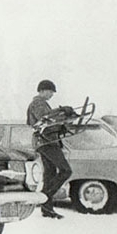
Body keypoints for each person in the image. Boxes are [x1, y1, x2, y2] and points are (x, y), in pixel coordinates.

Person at [27, 79, 74, 219]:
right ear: (42, 90)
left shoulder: (43, 104)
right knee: (66, 170)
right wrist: (61, 112)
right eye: (50, 91)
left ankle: (47, 209)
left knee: (50, 174)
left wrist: (63, 123)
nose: (52, 94)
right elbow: (45, 120)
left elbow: (51, 123)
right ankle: (44, 196)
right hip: (46, 143)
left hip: (47, 142)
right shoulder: (37, 104)